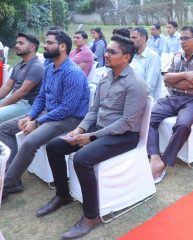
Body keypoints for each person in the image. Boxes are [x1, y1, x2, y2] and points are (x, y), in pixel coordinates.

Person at [37, 35, 148, 239]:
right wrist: (79, 130)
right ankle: (63, 195)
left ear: (125, 57)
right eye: (107, 50)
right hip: (99, 129)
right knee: (54, 146)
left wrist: (91, 137)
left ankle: (92, 216)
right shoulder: (105, 77)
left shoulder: (135, 84)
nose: (106, 54)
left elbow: (126, 123)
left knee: (82, 158)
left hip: (124, 136)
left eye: (111, 52)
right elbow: (94, 109)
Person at [0, 30, 90, 201]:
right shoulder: (49, 68)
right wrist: (30, 117)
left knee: (29, 142)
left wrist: (38, 122)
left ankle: (5, 185)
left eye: (49, 43)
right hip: (48, 114)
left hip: (68, 120)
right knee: (4, 129)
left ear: (62, 47)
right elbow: (41, 97)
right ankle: (12, 176)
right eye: (46, 42)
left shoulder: (73, 73)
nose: (45, 46)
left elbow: (67, 109)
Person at [148, 26, 193, 183]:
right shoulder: (177, 56)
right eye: (181, 38)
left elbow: (189, 85)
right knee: (148, 118)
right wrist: (184, 75)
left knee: (183, 125)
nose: (182, 41)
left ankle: (164, 161)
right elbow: (166, 78)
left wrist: (174, 80)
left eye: (186, 38)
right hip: (173, 98)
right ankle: (154, 156)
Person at [0, 32, 44, 123]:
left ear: (32, 47)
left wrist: (2, 105)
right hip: (14, 100)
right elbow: (7, 87)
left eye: (21, 43)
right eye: (17, 43)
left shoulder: (36, 67)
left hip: (27, 104)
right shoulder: (19, 65)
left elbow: (22, 92)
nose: (16, 45)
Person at [130, 27, 162, 100]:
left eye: (134, 37)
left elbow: (149, 87)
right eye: (130, 38)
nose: (131, 40)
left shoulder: (153, 56)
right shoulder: (133, 55)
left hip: (146, 101)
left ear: (143, 38)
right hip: (132, 97)